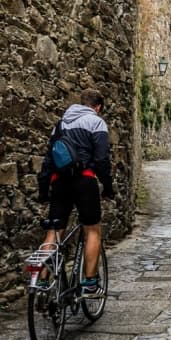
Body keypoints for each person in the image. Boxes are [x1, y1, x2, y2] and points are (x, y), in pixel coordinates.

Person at [36, 89, 114, 297]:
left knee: (54, 232)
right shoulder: (96, 123)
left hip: (59, 183)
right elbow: (101, 160)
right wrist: (108, 187)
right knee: (92, 230)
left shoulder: (60, 124)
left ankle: (42, 282)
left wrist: (44, 191)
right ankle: (89, 283)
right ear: (97, 107)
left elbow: (47, 162)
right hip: (84, 181)